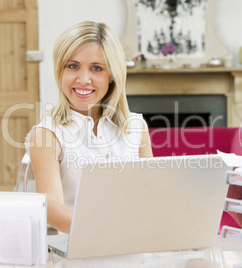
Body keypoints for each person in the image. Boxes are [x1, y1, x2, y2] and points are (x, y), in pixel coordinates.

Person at [25, 21, 153, 233]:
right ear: (60, 71)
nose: (83, 79)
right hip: (83, 250)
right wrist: (108, 230)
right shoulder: (47, 134)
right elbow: (51, 206)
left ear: (111, 75)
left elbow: (152, 193)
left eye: (96, 68)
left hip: (139, 242)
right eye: (73, 66)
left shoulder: (136, 127)